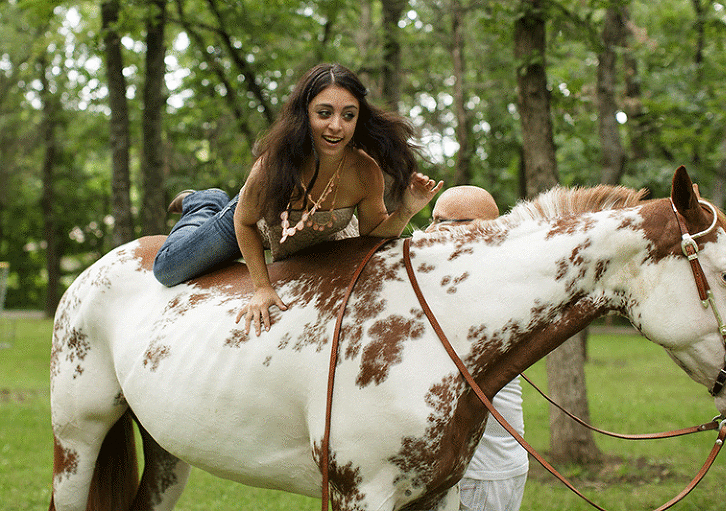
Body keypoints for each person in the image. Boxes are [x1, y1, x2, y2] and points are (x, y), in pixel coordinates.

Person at [153, 63, 443, 334]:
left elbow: (372, 237)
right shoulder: (273, 165)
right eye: (324, 113)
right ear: (305, 114)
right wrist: (262, 287)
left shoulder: (365, 171)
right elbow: (244, 222)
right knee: (167, 270)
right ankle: (204, 203)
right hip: (252, 223)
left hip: (317, 239)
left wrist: (406, 209)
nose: (336, 126)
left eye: (348, 115)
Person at [425, 185, 528, 511]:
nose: (428, 231)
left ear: (475, 230)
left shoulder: (488, 290)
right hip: (472, 468)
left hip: (483, 475)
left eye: (440, 222)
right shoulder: (477, 277)